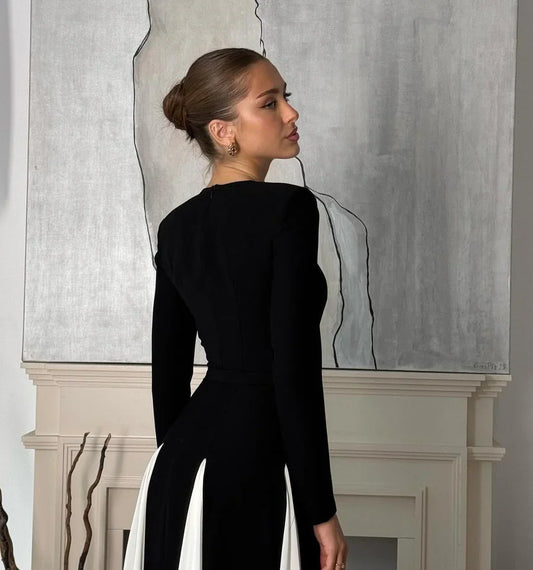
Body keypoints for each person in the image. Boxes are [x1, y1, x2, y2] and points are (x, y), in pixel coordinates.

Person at [124, 47, 348, 570]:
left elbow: (168, 373)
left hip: (180, 466)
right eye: (269, 103)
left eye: (286, 97)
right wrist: (321, 510)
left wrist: (178, 469)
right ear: (224, 130)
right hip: (254, 460)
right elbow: (293, 371)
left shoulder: (176, 228)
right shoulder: (289, 209)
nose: (291, 112)